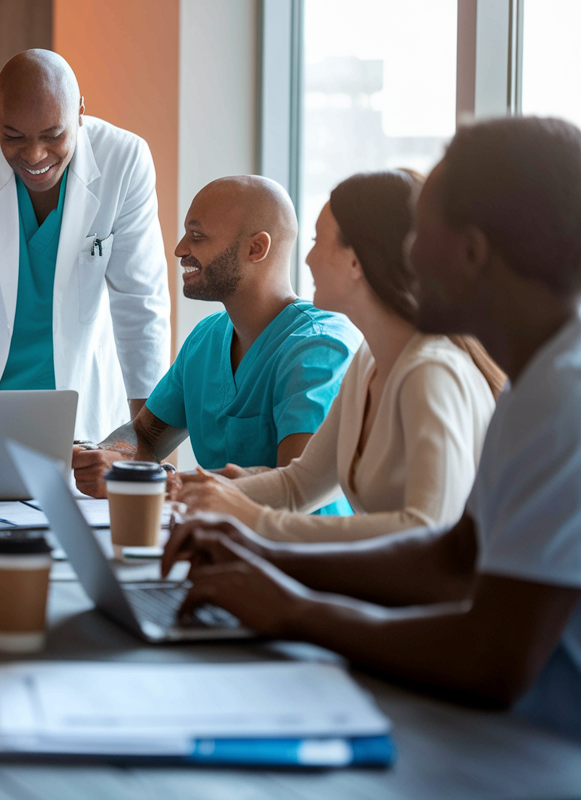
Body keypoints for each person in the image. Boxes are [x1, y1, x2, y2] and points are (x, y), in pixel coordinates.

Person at [166, 117, 581, 740]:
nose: (408, 255)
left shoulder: (561, 397)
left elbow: (493, 657)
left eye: (423, 233)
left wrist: (293, 609)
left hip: (538, 746)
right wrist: (262, 555)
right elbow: (453, 556)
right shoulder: (537, 383)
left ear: (471, 250)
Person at [176, 169, 501, 541]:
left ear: (356, 261)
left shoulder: (430, 372)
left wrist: (251, 517)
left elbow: (426, 529)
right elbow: (298, 486)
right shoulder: (367, 364)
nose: (308, 258)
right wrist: (192, 494)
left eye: (318, 241)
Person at [0, 49, 170, 442]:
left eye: (53, 135)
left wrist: (146, 447)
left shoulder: (124, 161)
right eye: (14, 136)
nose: (35, 155)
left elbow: (140, 304)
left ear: (79, 111)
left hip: (81, 409)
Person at [72, 176, 362, 516]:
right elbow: (146, 436)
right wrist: (109, 453)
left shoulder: (320, 347)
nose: (180, 249)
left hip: (301, 557)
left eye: (197, 236)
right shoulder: (206, 338)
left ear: (256, 248)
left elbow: (294, 482)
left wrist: (152, 483)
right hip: (223, 544)